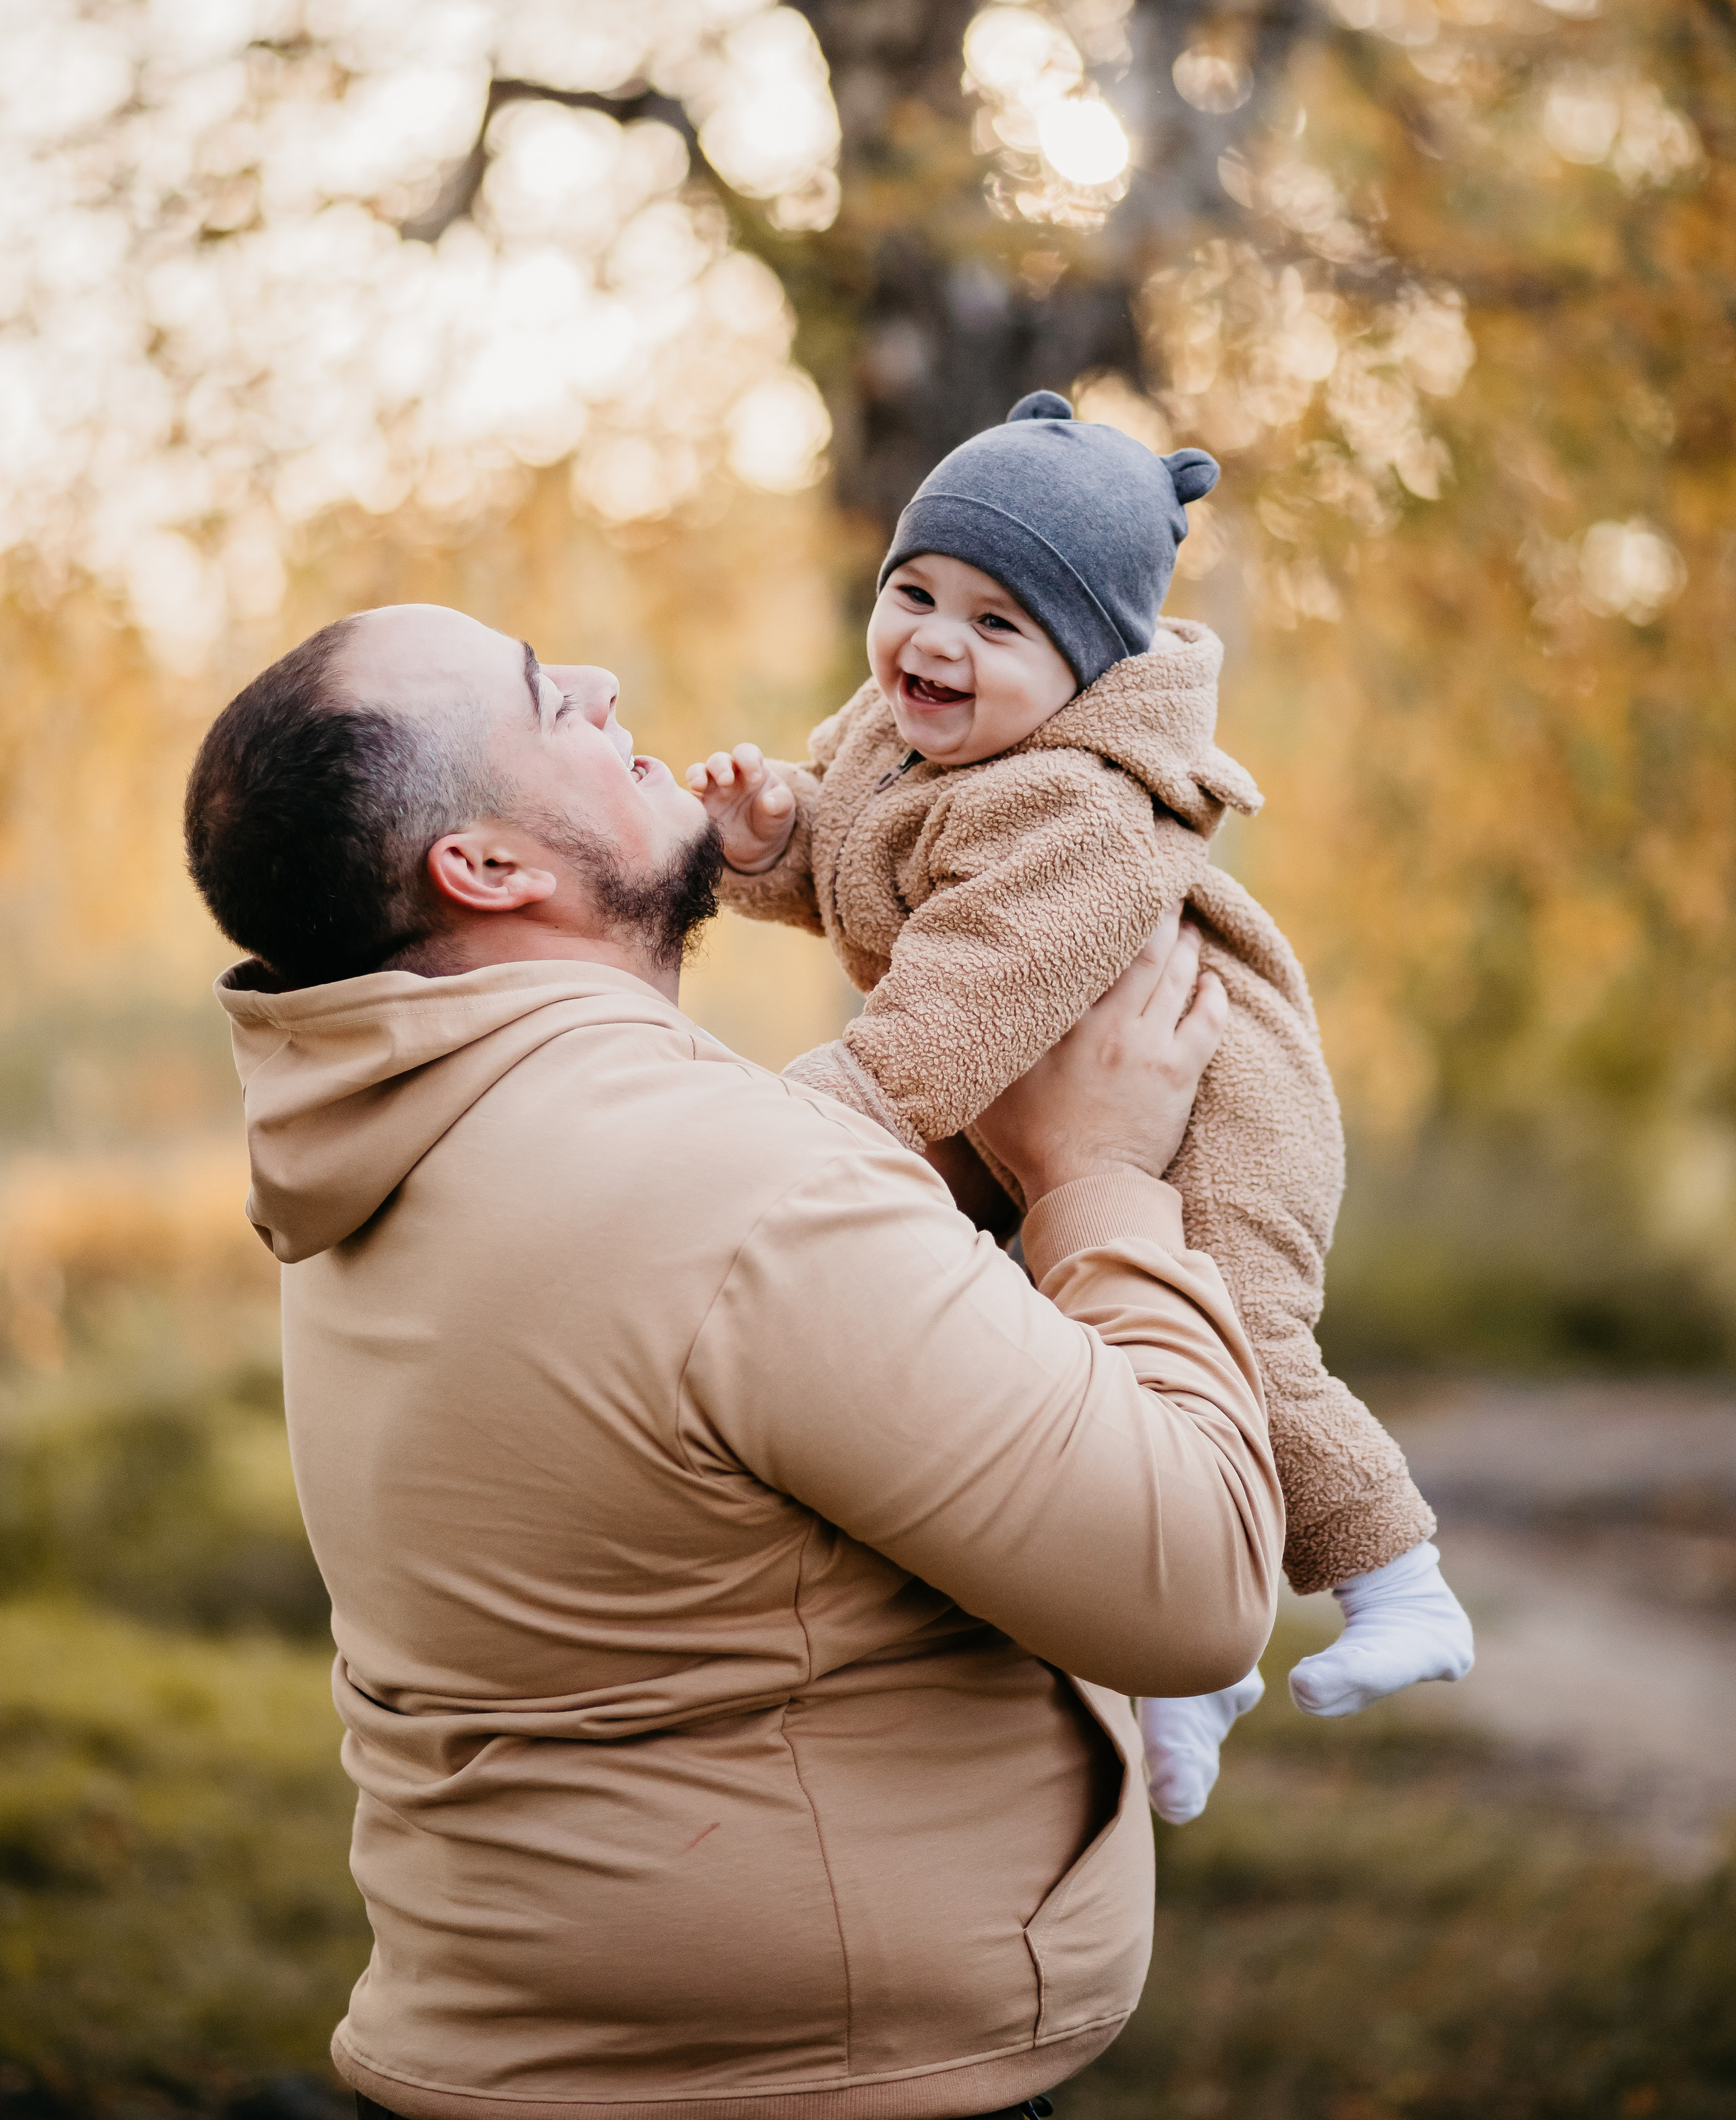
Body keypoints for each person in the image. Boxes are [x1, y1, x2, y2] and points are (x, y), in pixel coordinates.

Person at [182, 602, 1284, 2120]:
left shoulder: (401, 1140)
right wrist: (1102, 1177)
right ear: (486, 867)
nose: (599, 682)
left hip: (530, 2057)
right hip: (797, 2088)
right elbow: (1199, 1583)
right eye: (540, 698)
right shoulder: (727, 1185)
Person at [687, 393, 1474, 1826]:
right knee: (1060, 1361)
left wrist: (825, 1112)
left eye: (998, 626)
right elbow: (868, 871)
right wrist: (773, 839)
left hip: (1214, 1087)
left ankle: (1397, 1580)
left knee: (1236, 1335)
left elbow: (966, 993)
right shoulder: (901, 738)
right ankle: (1179, 1669)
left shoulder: (1078, 808)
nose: (932, 642)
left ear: (1085, 665)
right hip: (1023, 1078)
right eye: (915, 593)